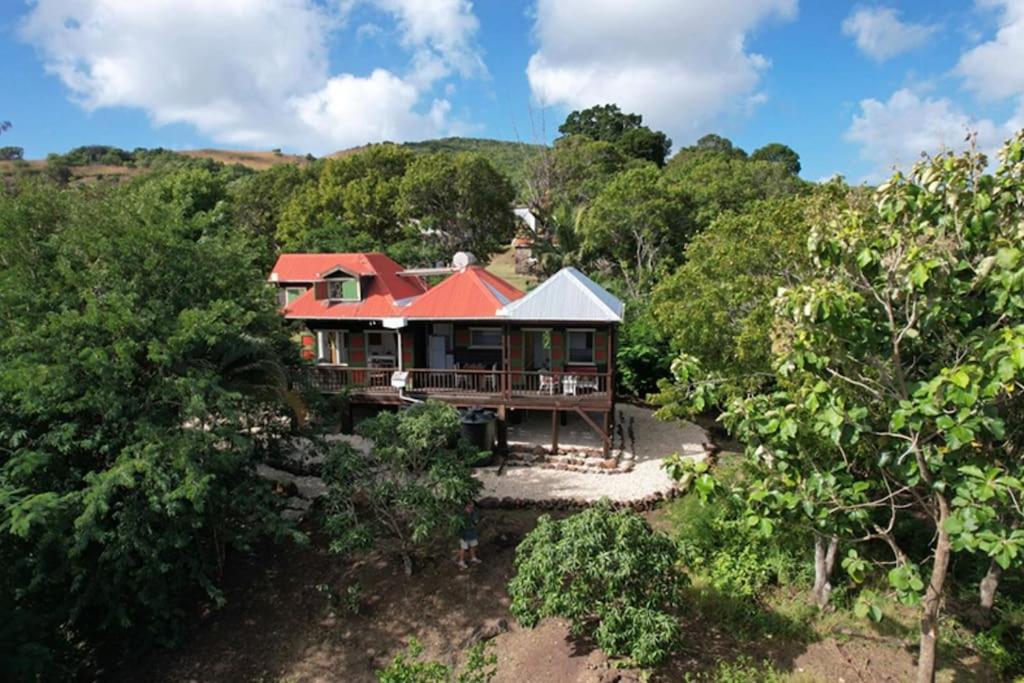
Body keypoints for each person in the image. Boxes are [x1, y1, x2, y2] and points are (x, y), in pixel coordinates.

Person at [457, 501, 482, 569]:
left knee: (473, 545)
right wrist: (461, 535)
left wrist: (476, 520)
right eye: (469, 507)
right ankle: (461, 561)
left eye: (472, 507)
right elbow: (459, 526)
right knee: (463, 548)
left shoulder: (473, 513)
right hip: (464, 534)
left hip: (472, 533)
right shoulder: (462, 515)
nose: (471, 509)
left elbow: (476, 521)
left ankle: (473, 558)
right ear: (466, 507)